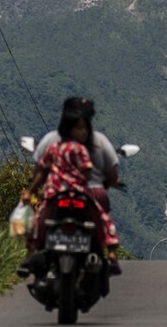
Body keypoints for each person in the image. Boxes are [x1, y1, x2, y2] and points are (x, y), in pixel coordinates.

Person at [20, 97, 123, 275]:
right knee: (104, 219)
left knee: (38, 221)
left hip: (54, 194)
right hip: (80, 193)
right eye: (79, 127)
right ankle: (111, 253)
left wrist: (30, 191)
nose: (82, 132)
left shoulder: (52, 145)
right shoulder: (83, 148)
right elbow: (88, 172)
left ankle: (29, 256)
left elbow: (41, 170)